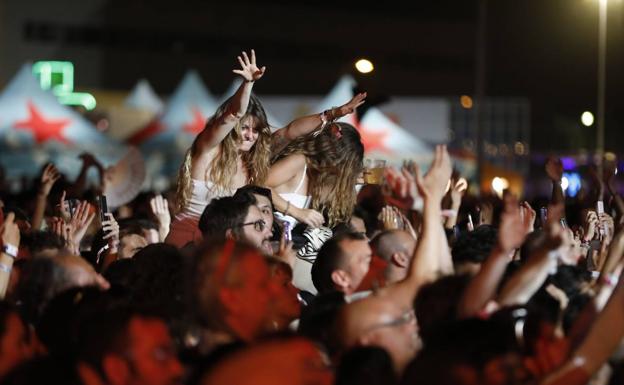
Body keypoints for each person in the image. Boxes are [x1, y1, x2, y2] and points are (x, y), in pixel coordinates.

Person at [167, 50, 366, 248]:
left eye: (256, 130)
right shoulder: (208, 150)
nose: (250, 135)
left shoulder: (253, 160)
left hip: (224, 247)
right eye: (244, 128)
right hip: (188, 240)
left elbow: (290, 132)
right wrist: (248, 84)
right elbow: (232, 115)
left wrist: (333, 114)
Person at [266, 122, 365, 231]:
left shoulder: (319, 176)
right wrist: (296, 212)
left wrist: (350, 181)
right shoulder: (299, 161)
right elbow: (259, 184)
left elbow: (338, 203)